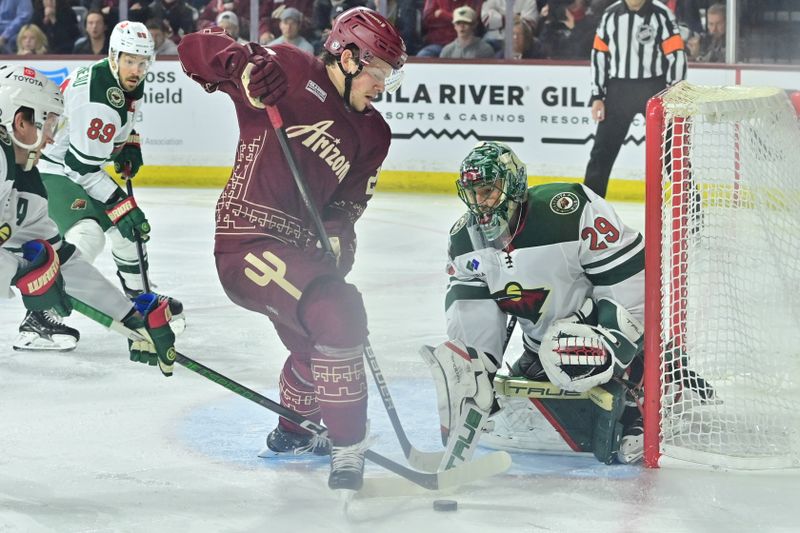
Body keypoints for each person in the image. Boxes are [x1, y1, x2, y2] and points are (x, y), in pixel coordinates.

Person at [177, 6, 406, 491]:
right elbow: (193, 49)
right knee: (340, 314)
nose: (382, 84)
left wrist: (340, 236)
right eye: (377, 71)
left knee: (315, 349)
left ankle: (294, 431)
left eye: (388, 75)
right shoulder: (289, 67)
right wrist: (239, 66)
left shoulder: (373, 133)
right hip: (248, 241)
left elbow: (346, 206)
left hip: (301, 255)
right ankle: (349, 450)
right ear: (347, 57)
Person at [423, 141, 646, 467]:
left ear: (513, 186)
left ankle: (641, 387)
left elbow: (627, 279)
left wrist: (619, 346)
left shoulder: (570, 210)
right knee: (549, 362)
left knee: (565, 353)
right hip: (545, 351)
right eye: (472, 194)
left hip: (598, 333)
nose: (480, 204)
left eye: (488, 191)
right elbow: (472, 308)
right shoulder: (464, 240)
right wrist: (477, 370)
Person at [15, 20, 184, 352]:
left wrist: (130, 145)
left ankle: (139, 301)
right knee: (88, 232)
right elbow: (81, 166)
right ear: (113, 56)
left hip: (68, 167)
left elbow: (127, 117)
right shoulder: (98, 100)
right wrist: (121, 205)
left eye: (142, 61)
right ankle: (37, 316)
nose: (136, 69)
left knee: (127, 232)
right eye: (129, 60)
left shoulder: (121, 80)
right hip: (51, 171)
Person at [583, 0, 686, 198]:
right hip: (618, 90)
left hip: (655, 90)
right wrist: (597, 95)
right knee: (601, 154)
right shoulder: (610, 14)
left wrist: (673, 91)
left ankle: (691, 210)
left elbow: (676, 55)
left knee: (672, 154)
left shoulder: (661, 14)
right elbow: (599, 56)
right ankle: (588, 209)